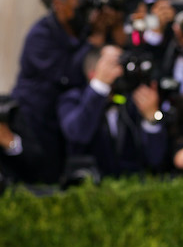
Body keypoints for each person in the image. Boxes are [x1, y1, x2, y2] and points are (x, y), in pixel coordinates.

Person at [11, 0, 104, 184]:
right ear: (58, 4)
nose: (84, 7)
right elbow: (66, 74)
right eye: (79, 0)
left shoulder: (80, 32)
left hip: (62, 126)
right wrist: (90, 44)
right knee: (41, 179)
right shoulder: (40, 35)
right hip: (35, 123)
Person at [57, 45, 168, 180]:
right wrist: (99, 87)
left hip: (130, 187)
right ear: (93, 73)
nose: (122, 70)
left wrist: (152, 118)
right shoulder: (72, 99)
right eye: (115, 64)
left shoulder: (133, 101)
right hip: (89, 186)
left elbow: (155, 159)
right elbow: (78, 134)